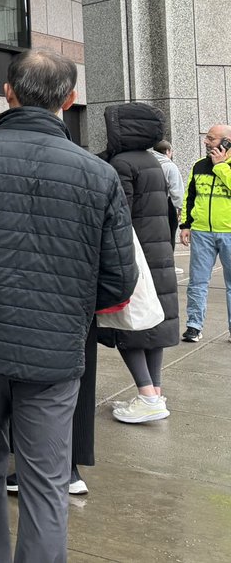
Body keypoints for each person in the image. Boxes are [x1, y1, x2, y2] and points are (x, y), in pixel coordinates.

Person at [0, 50, 138, 563]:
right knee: (47, 484)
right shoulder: (96, 175)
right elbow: (120, 278)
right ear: (70, 100)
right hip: (55, 354)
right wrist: (71, 310)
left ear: (7, 91)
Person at [96, 104, 179, 424]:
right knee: (153, 325)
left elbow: (119, 215)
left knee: (128, 326)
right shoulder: (152, 161)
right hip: (158, 254)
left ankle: (147, 395)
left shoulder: (121, 163)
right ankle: (154, 392)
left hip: (135, 257)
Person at [179, 123, 231, 342]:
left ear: (226, 141)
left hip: (229, 232)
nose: (206, 141)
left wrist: (220, 166)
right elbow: (189, 196)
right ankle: (194, 326)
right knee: (197, 282)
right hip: (202, 232)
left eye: (211, 138)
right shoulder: (199, 165)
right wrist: (185, 225)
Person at [151, 139, 184, 246]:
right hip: (167, 205)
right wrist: (180, 207)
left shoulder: (149, 163)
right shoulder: (170, 166)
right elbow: (176, 189)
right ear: (167, 151)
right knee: (169, 234)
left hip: (149, 205)